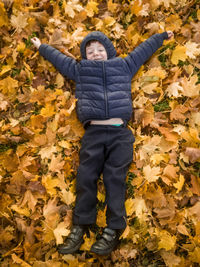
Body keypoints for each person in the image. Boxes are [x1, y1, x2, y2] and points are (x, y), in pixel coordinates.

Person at [31, 30, 174, 256]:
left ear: (109, 51)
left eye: (99, 50)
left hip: (120, 134)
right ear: (85, 56)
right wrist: (41, 47)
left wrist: (161, 37)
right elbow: (60, 60)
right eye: (90, 51)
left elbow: (143, 51)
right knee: (86, 176)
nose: (96, 54)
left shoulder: (124, 65)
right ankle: (80, 225)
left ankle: (114, 228)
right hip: (94, 134)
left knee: (114, 178)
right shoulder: (81, 70)